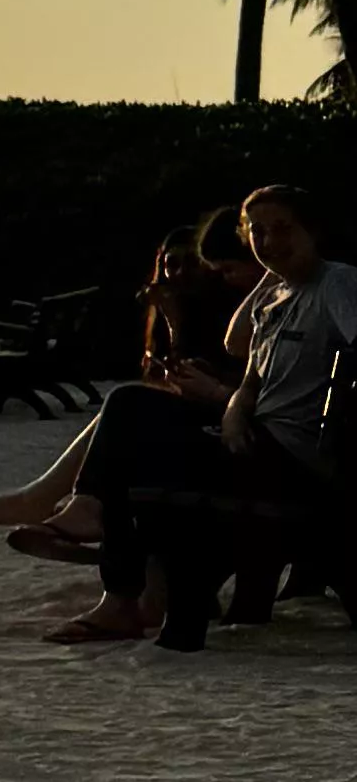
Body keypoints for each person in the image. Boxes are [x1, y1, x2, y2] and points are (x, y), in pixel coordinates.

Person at [47, 181, 357, 651]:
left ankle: (116, 582)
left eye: (283, 229)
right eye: (258, 232)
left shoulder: (337, 282)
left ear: (313, 231)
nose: (270, 241)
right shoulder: (278, 295)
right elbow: (240, 352)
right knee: (130, 403)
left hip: (294, 457)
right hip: (254, 439)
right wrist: (233, 411)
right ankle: (104, 544)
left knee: (139, 442)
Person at [0, 217, 245, 546]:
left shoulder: (228, 310)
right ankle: (53, 499)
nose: (182, 272)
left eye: (192, 264)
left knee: (125, 407)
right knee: (122, 409)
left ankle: (58, 501)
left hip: (223, 418)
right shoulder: (180, 305)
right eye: (173, 264)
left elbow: (216, 372)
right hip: (201, 407)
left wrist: (175, 324)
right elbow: (163, 379)